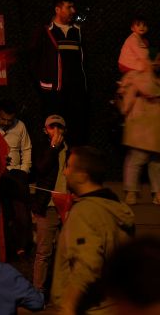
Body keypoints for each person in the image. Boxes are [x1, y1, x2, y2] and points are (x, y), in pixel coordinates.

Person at [52, 146, 135, 314]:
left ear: (82, 175)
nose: (65, 172)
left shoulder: (86, 212)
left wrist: (68, 306)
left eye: (68, 166)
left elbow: (87, 265)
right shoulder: (115, 208)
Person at [32, 0, 89, 144]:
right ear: (57, 9)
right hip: (53, 94)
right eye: (69, 7)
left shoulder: (78, 32)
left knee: (76, 135)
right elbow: (34, 59)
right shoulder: (45, 32)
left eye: (73, 6)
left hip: (75, 93)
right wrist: (43, 84)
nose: (73, 10)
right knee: (54, 135)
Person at [31, 114, 70, 294]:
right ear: (45, 130)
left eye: (59, 127)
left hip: (68, 205)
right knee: (43, 252)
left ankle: (63, 290)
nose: (56, 131)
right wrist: (53, 147)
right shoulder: (41, 147)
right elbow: (41, 168)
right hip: (47, 206)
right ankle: (38, 291)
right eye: (51, 127)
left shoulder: (71, 150)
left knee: (67, 251)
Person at [119, 53, 160, 206]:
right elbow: (126, 100)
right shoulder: (137, 76)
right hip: (142, 123)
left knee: (155, 162)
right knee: (138, 158)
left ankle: (155, 192)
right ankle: (132, 192)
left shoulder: (137, 76)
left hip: (150, 123)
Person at [0, 98, 33, 253]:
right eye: (3, 119)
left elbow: (27, 148)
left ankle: (22, 245)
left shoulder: (20, 126)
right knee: (1, 211)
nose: (6, 122)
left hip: (16, 174)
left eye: (10, 120)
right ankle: (1, 245)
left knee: (20, 211)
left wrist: (24, 170)